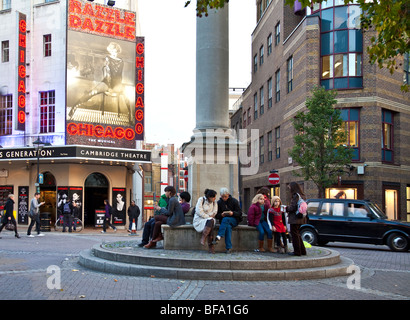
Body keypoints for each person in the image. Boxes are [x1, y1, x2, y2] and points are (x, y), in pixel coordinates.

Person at [214, 188, 242, 254]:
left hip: (234, 220)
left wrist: (232, 213)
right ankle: (228, 248)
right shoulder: (219, 203)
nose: (224, 198)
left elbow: (240, 213)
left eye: (225, 196)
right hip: (225, 222)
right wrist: (221, 215)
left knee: (226, 219)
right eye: (222, 197)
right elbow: (216, 215)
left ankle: (219, 235)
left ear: (228, 195)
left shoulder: (234, 201)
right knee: (228, 227)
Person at [193, 189, 218, 253]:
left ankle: (203, 237)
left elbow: (214, 212)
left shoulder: (215, 203)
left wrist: (209, 216)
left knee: (211, 221)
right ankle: (211, 247)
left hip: (209, 220)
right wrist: (208, 216)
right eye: (214, 197)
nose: (215, 198)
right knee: (210, 223)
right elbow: (199, 211)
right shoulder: (201, 200)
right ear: (209, 197)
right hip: (199, 220)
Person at [286, 182, 307, 256]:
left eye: (289, 187)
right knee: (298, 234)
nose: (289, 189)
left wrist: (286, 208)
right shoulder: (302, 195)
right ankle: (302, 251)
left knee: (294, 235)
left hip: (295, 218)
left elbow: (293, 207)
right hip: (300, 218)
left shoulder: (295, 195)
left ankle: (297, 251)